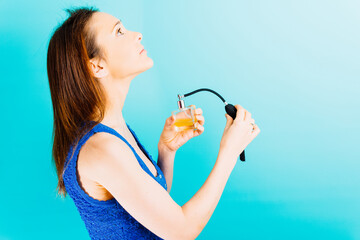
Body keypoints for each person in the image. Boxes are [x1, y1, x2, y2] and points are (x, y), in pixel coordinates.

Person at [47, 6, 260, 240]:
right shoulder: (103, 148)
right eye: (119, 32)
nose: (137, 34)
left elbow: (149, 212)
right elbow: (181, 230)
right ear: (97, 66)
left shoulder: (113, 131)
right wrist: (229, 152)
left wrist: (166, 151)